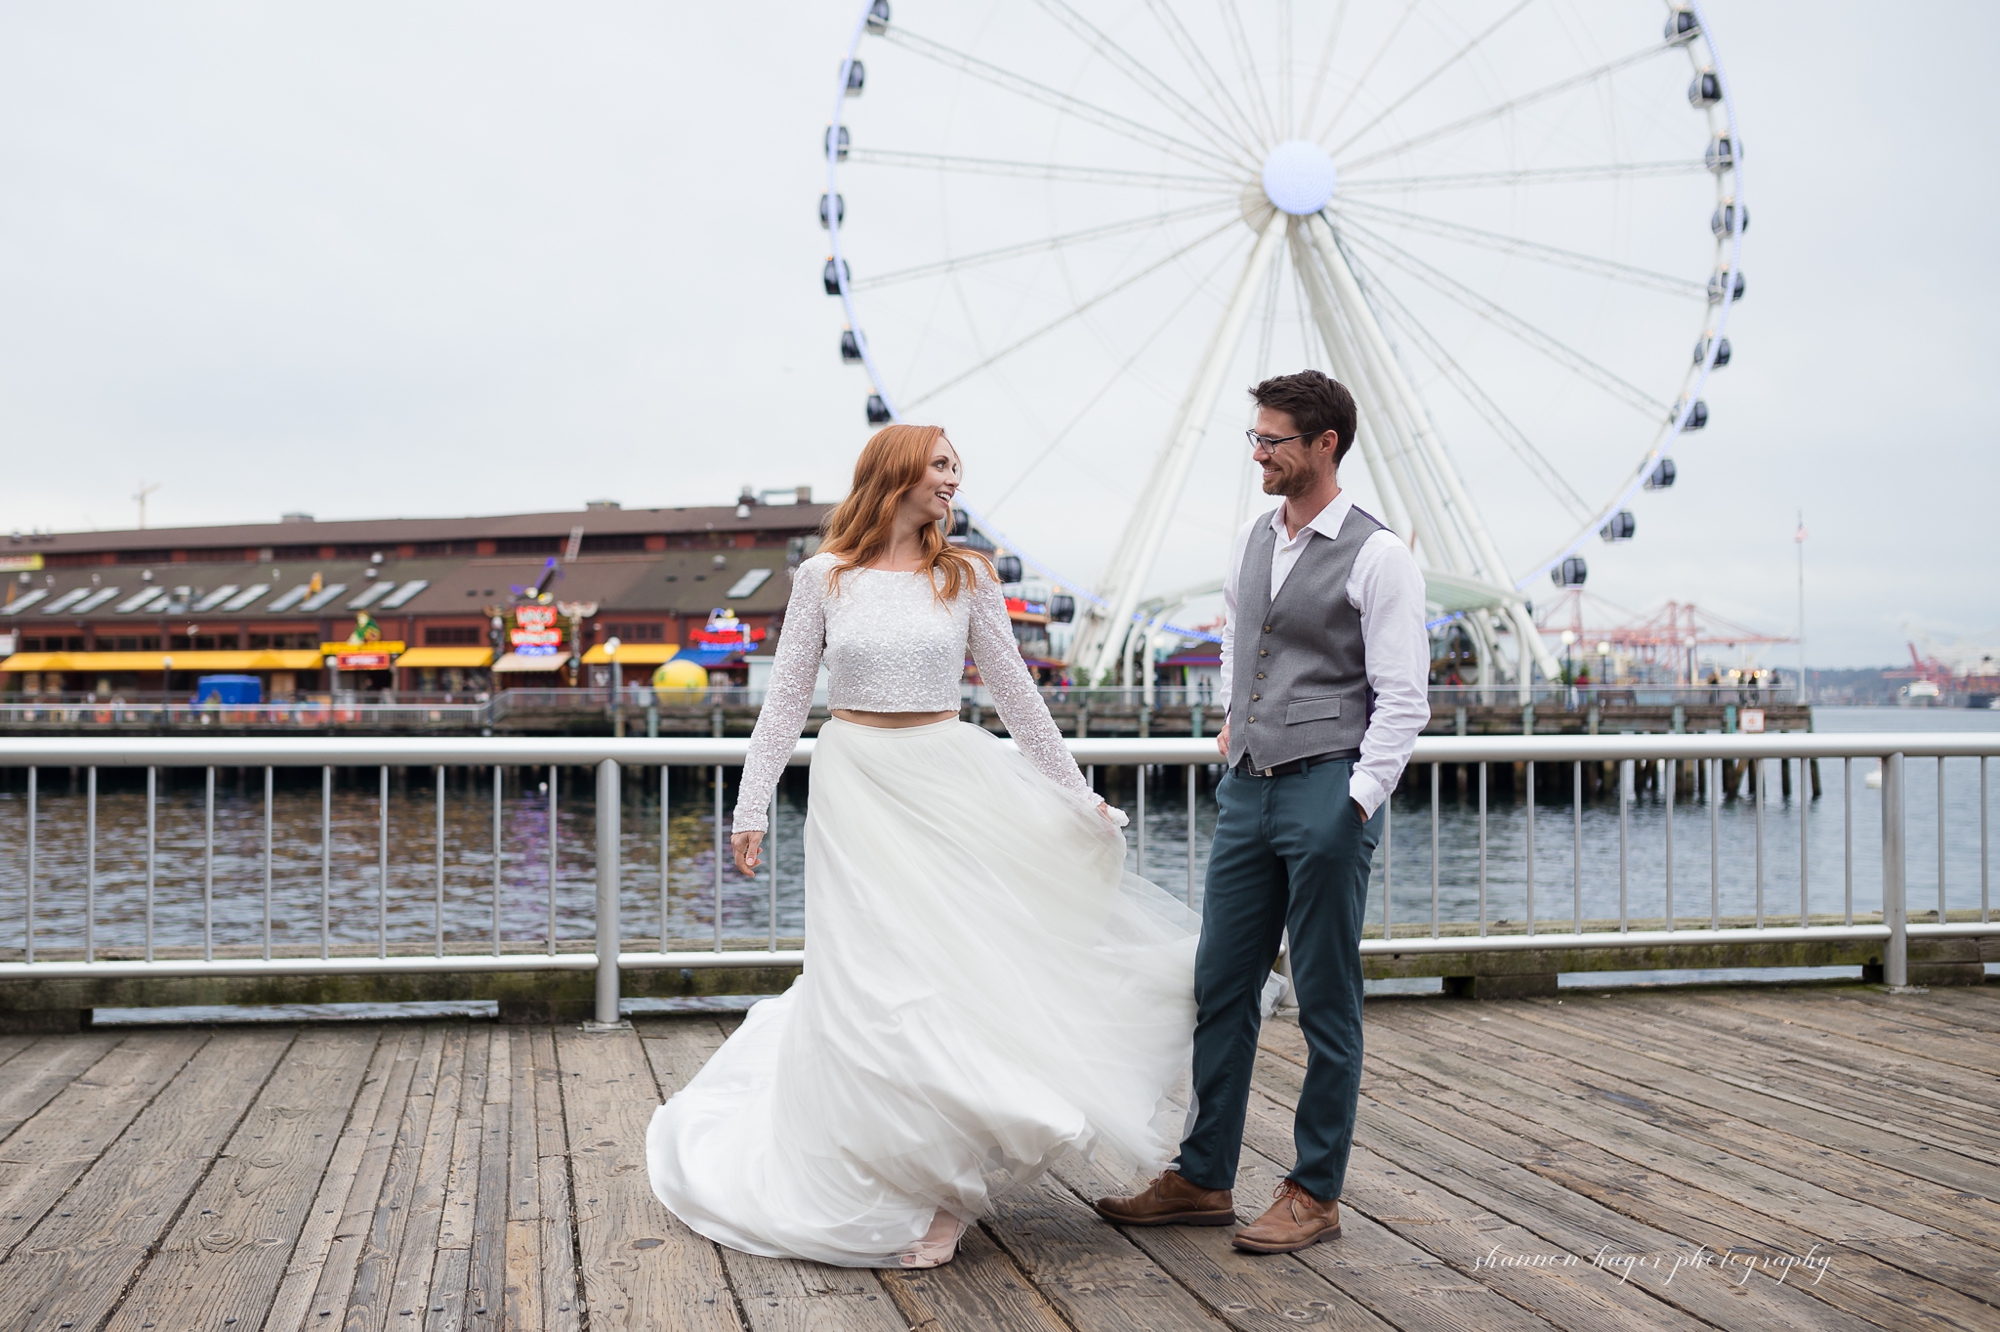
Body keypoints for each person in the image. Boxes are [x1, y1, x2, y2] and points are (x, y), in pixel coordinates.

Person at [647, 424, 1200, 1270]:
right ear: (898, 473)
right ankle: (890, 1178)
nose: (954, 482)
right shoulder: (822, 578)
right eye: (942, 467)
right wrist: (749, 805)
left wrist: (1073, 789)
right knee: (871, 981)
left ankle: (941, 1187)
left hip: (946, 780)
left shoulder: (967, 575)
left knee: (948, 976)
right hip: (856, 782)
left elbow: (1017, 696)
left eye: (956, 470)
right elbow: (786, 700)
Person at [1094, 370, 1429, 1254]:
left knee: (1326, 998)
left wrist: (1355, 802)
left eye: (1273, 441)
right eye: (1255, 438)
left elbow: (1404, 699)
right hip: (1248, 783)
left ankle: (1314, 1191)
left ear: (1325, 446)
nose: (1259, 455)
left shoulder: (1379, 555)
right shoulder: (1254, 539)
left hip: (1328, 788)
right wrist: (1232, 724)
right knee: (1221, 984)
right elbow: (1243, 642)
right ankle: (1204, 1178)